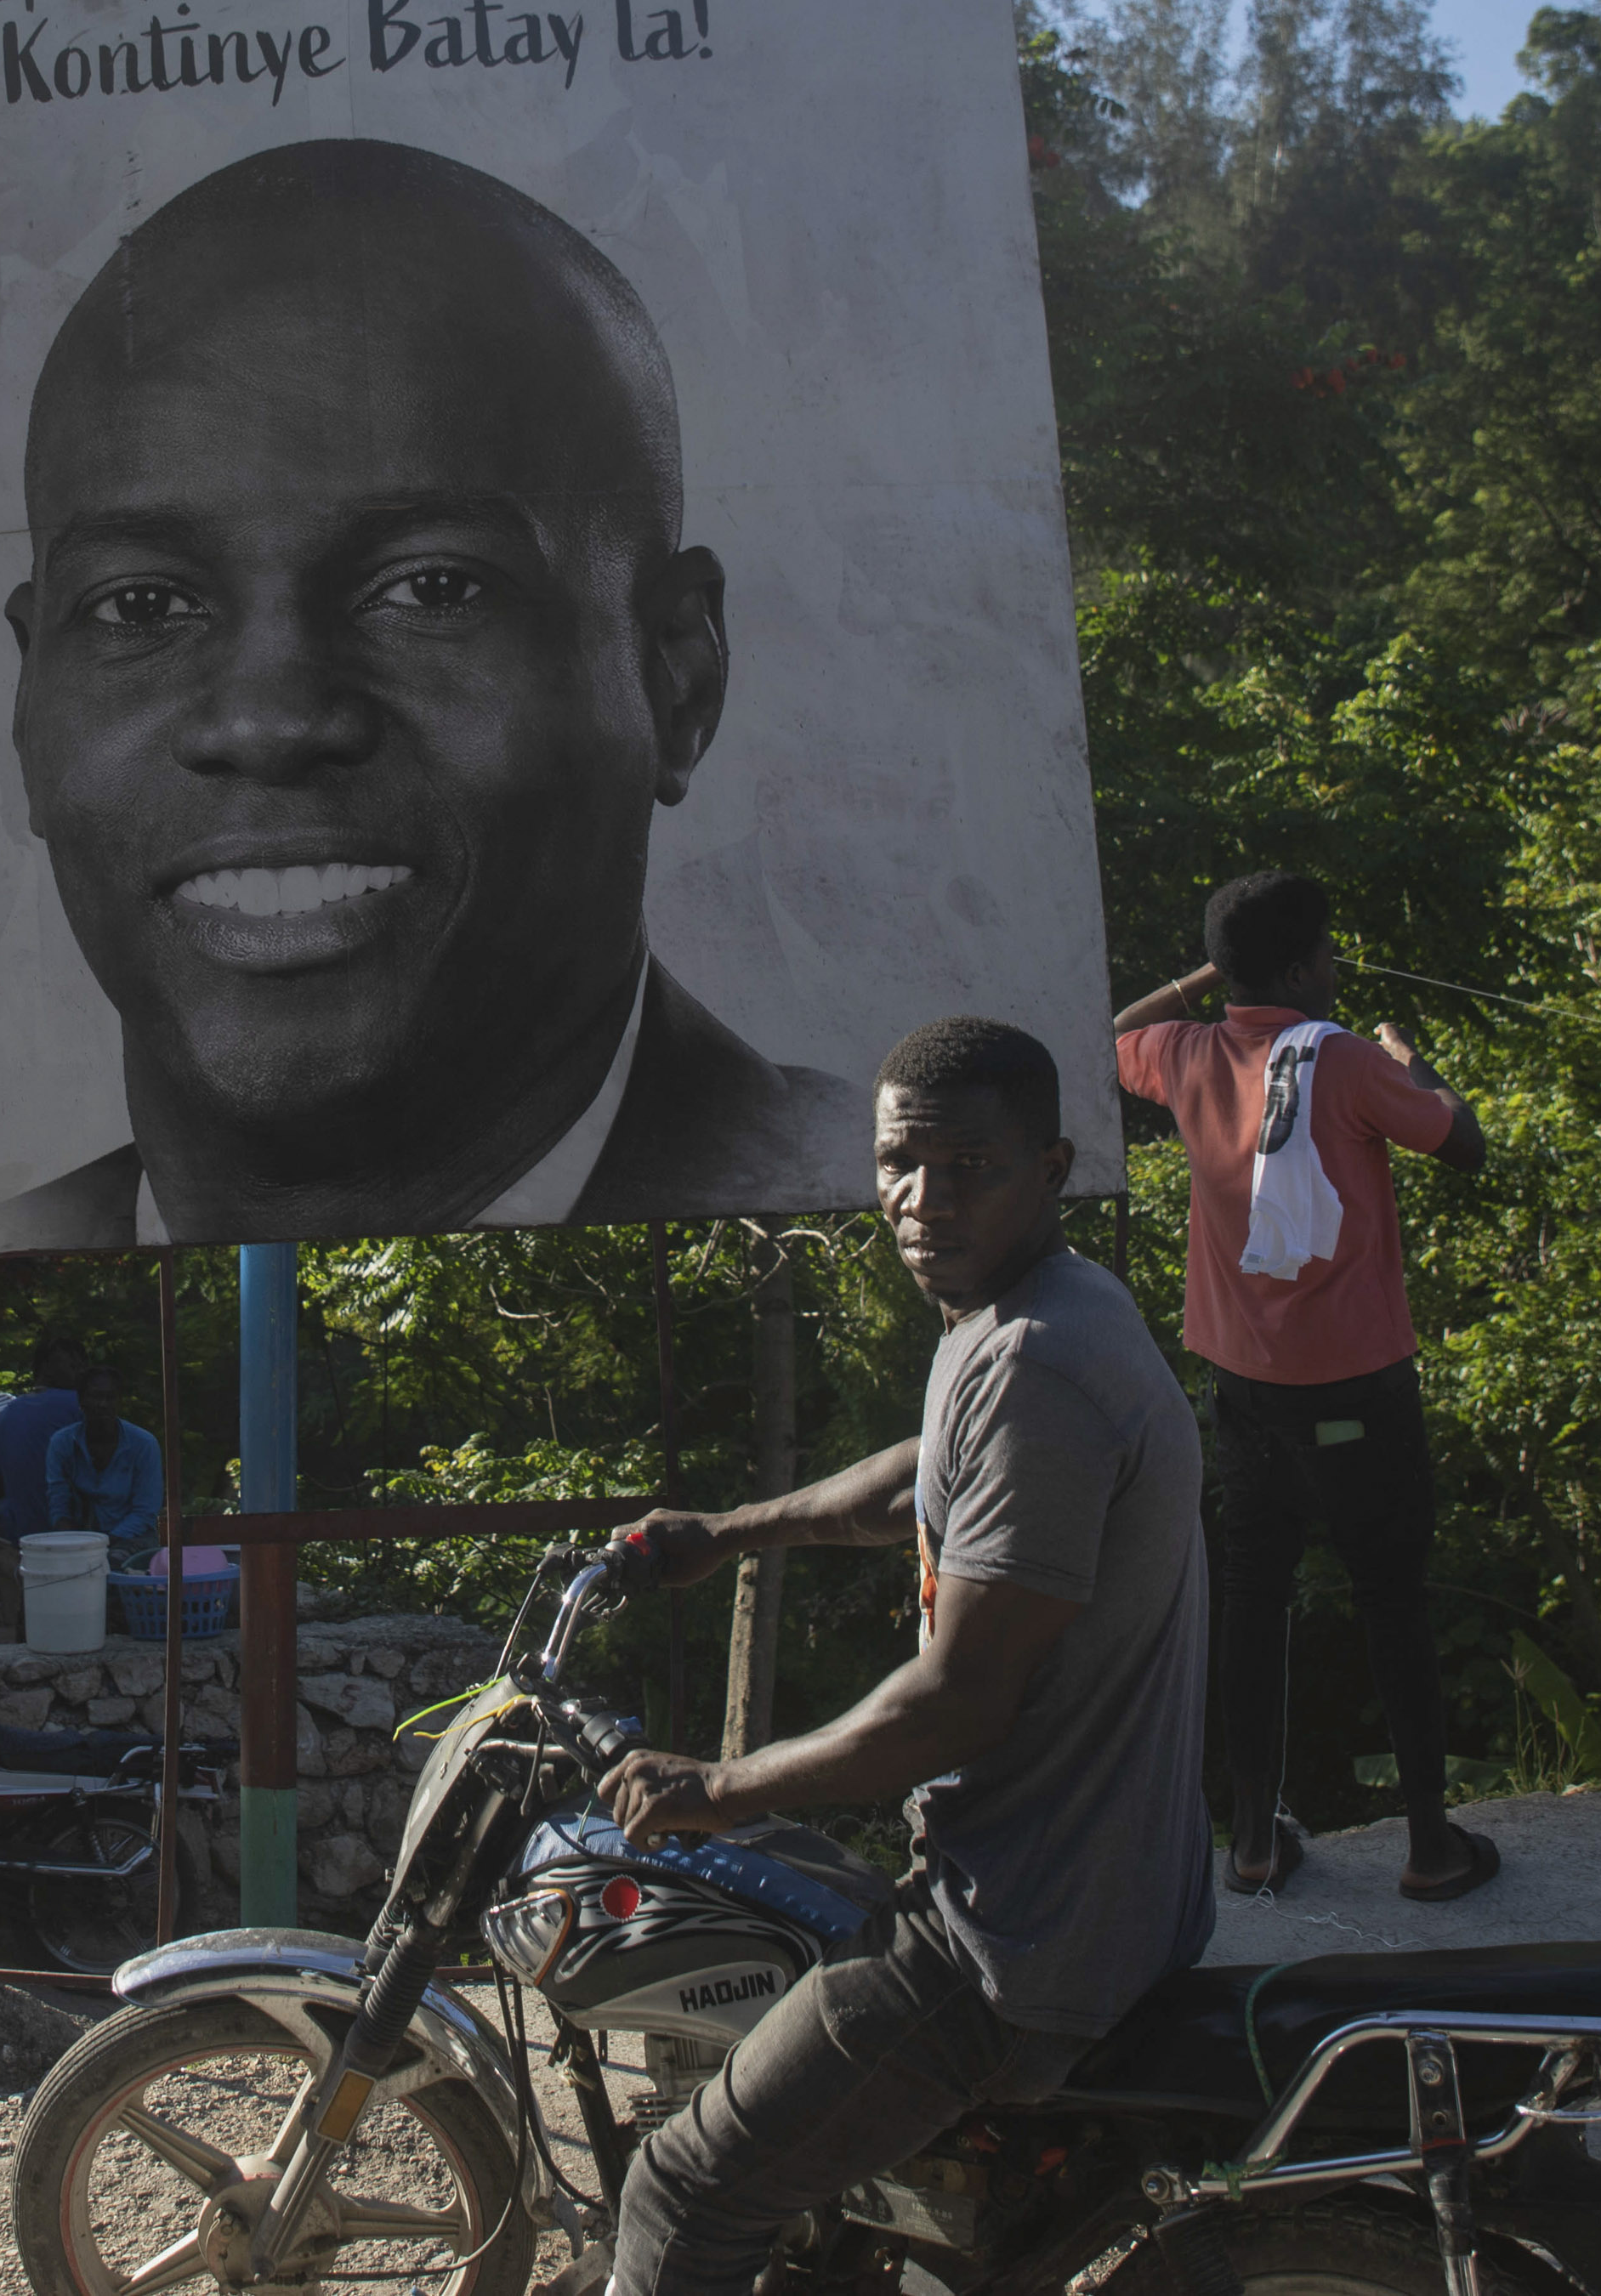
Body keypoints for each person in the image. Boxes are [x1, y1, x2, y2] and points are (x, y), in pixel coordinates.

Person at [0, 139, 866, 1250]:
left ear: (676, 679)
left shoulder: (875, 1191)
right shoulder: (15, 1236)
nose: (265, 720)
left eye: (430, 587)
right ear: (28, 711)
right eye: (144, 609)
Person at [595, 1018, 1212, 2296]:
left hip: (1011, 1944)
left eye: (968, 1166)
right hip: (1106, 1895)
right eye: (899, 1164)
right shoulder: (1033, 1308)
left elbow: (955, 1704)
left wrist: (717, 1788)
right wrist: (730, 1531)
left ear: (1051, 1165)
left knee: (681, 2189)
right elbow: (922, 1484)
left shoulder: (1039, 1367)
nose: (923, 1201)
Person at [1113, 868, 1495, 1904]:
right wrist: (1417, 1067)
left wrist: (1213, 974)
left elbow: (1111, 1033)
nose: (1335, 965)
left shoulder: (1187, 1054)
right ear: (1298, 968)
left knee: (1253, 1596)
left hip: (1245, 1391)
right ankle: (1427, 1845)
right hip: (1362, 1390)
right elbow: (1462, 1143)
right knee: (1391, 1600)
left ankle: (1249, 1841)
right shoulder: (1349, 1061)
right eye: (1323, 952)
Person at [0, 1335, 89, 1630]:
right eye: (72, 1363)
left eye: (81, 1364)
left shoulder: (9, 1413)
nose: (79, 1369)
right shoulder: (84, 1405)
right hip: (80, 1525)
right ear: (46, 1367)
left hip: (24, 1527)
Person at [42, 1366, 163, 1570]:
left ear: (119, 1402)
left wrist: (101, 1546)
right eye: (96, 1397)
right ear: (82, 1401)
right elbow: (58, 1502)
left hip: (132, 1540)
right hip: (80, 1540)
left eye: (110, 1398)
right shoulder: (62, 1443)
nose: (102, 1405)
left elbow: (145, 1512)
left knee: (108, 1567)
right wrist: (70, 1547)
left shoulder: (143, 1445)